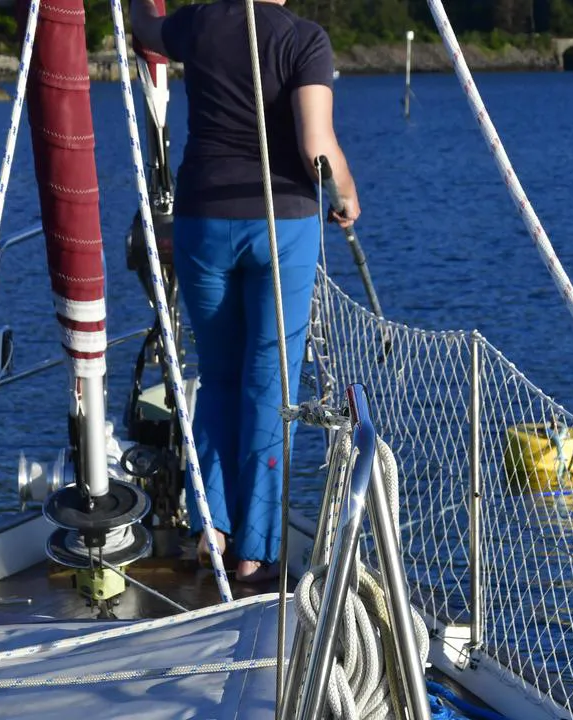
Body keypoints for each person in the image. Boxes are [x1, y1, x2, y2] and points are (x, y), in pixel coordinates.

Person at [130, 0, 360, 582]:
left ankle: (212, 531)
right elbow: (317, 144)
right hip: (281, 225)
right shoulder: (304, 40)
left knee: (218, 376)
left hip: (204, 220)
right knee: (268, 384)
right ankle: (254, 552)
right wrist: (345, 197)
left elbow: (146, 32)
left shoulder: (200, 22)